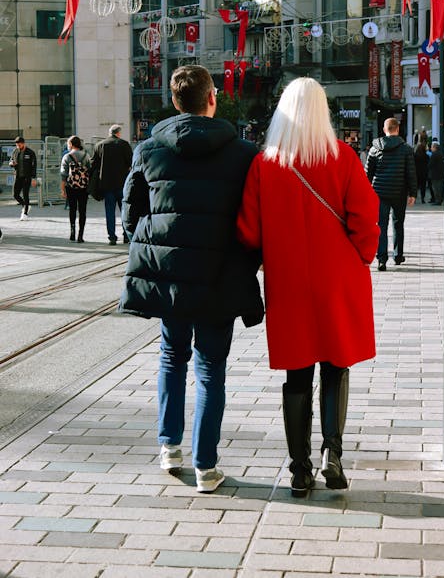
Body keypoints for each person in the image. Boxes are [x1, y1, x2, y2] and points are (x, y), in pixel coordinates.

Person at [119, 64, 263, 493]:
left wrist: (157, 246)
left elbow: (130, 214)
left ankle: (169, 448)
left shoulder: (148, 149)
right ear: (212, 98)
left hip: (170, 277)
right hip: (220, 276)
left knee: (171, 356)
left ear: (175, 100)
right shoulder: (243, 153)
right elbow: (255, 219)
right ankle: (206, 466)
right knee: (210, 368)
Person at [237, 77, 379, 497]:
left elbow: (248, 230)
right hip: (338, 278)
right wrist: (362, 256)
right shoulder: (343, 157)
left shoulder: (266, 163)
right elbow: (365, 217)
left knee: (297, 374)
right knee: (336, 366)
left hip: (290, 281)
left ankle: (299, 469)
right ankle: (333, 452)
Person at [365, 117, 417, 271]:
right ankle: (398, 255)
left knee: (381, 226)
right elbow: (411, 173)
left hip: (379, 193)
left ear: (384, 129)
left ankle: (381, 259)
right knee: (398, 224)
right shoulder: (406, 149)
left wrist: (366, 191)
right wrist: (412, 193)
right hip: (399, 192)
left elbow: (368, 172)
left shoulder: (375, 148)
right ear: (398, 129)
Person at [90, 124, 133, 244]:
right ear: (118, 133)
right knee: (125, 211)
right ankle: (126, 235)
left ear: (110, 133)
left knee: (109, 212)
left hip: (106, 184)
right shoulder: (124, 144)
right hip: (122, 184)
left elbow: (93, 164)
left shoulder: (99, 145)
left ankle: (112, 237)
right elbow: (131, 162)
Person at [60, 135, 92, 242]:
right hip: (83, 187)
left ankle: (72, 232)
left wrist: (63, 190)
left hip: (71, 186)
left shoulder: (67, 157)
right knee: (82, 211)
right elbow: (90, 171)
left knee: (72, 210)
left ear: (71, 144)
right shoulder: (86, 156)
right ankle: (80, 235)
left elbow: (63, 175)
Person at [9, 136, 37, 221]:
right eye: (17, 145)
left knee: (25, 195)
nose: (18, 146)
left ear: (23, 143)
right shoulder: (15, 151)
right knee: (15, 194)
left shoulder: (30, 152)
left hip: (27, 177)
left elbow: (34, 166)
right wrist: (11, 163)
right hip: (18, 176)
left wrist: (33, 178)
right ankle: (25, 206)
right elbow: (11, 161)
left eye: (19, 144)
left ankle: (25, 213)